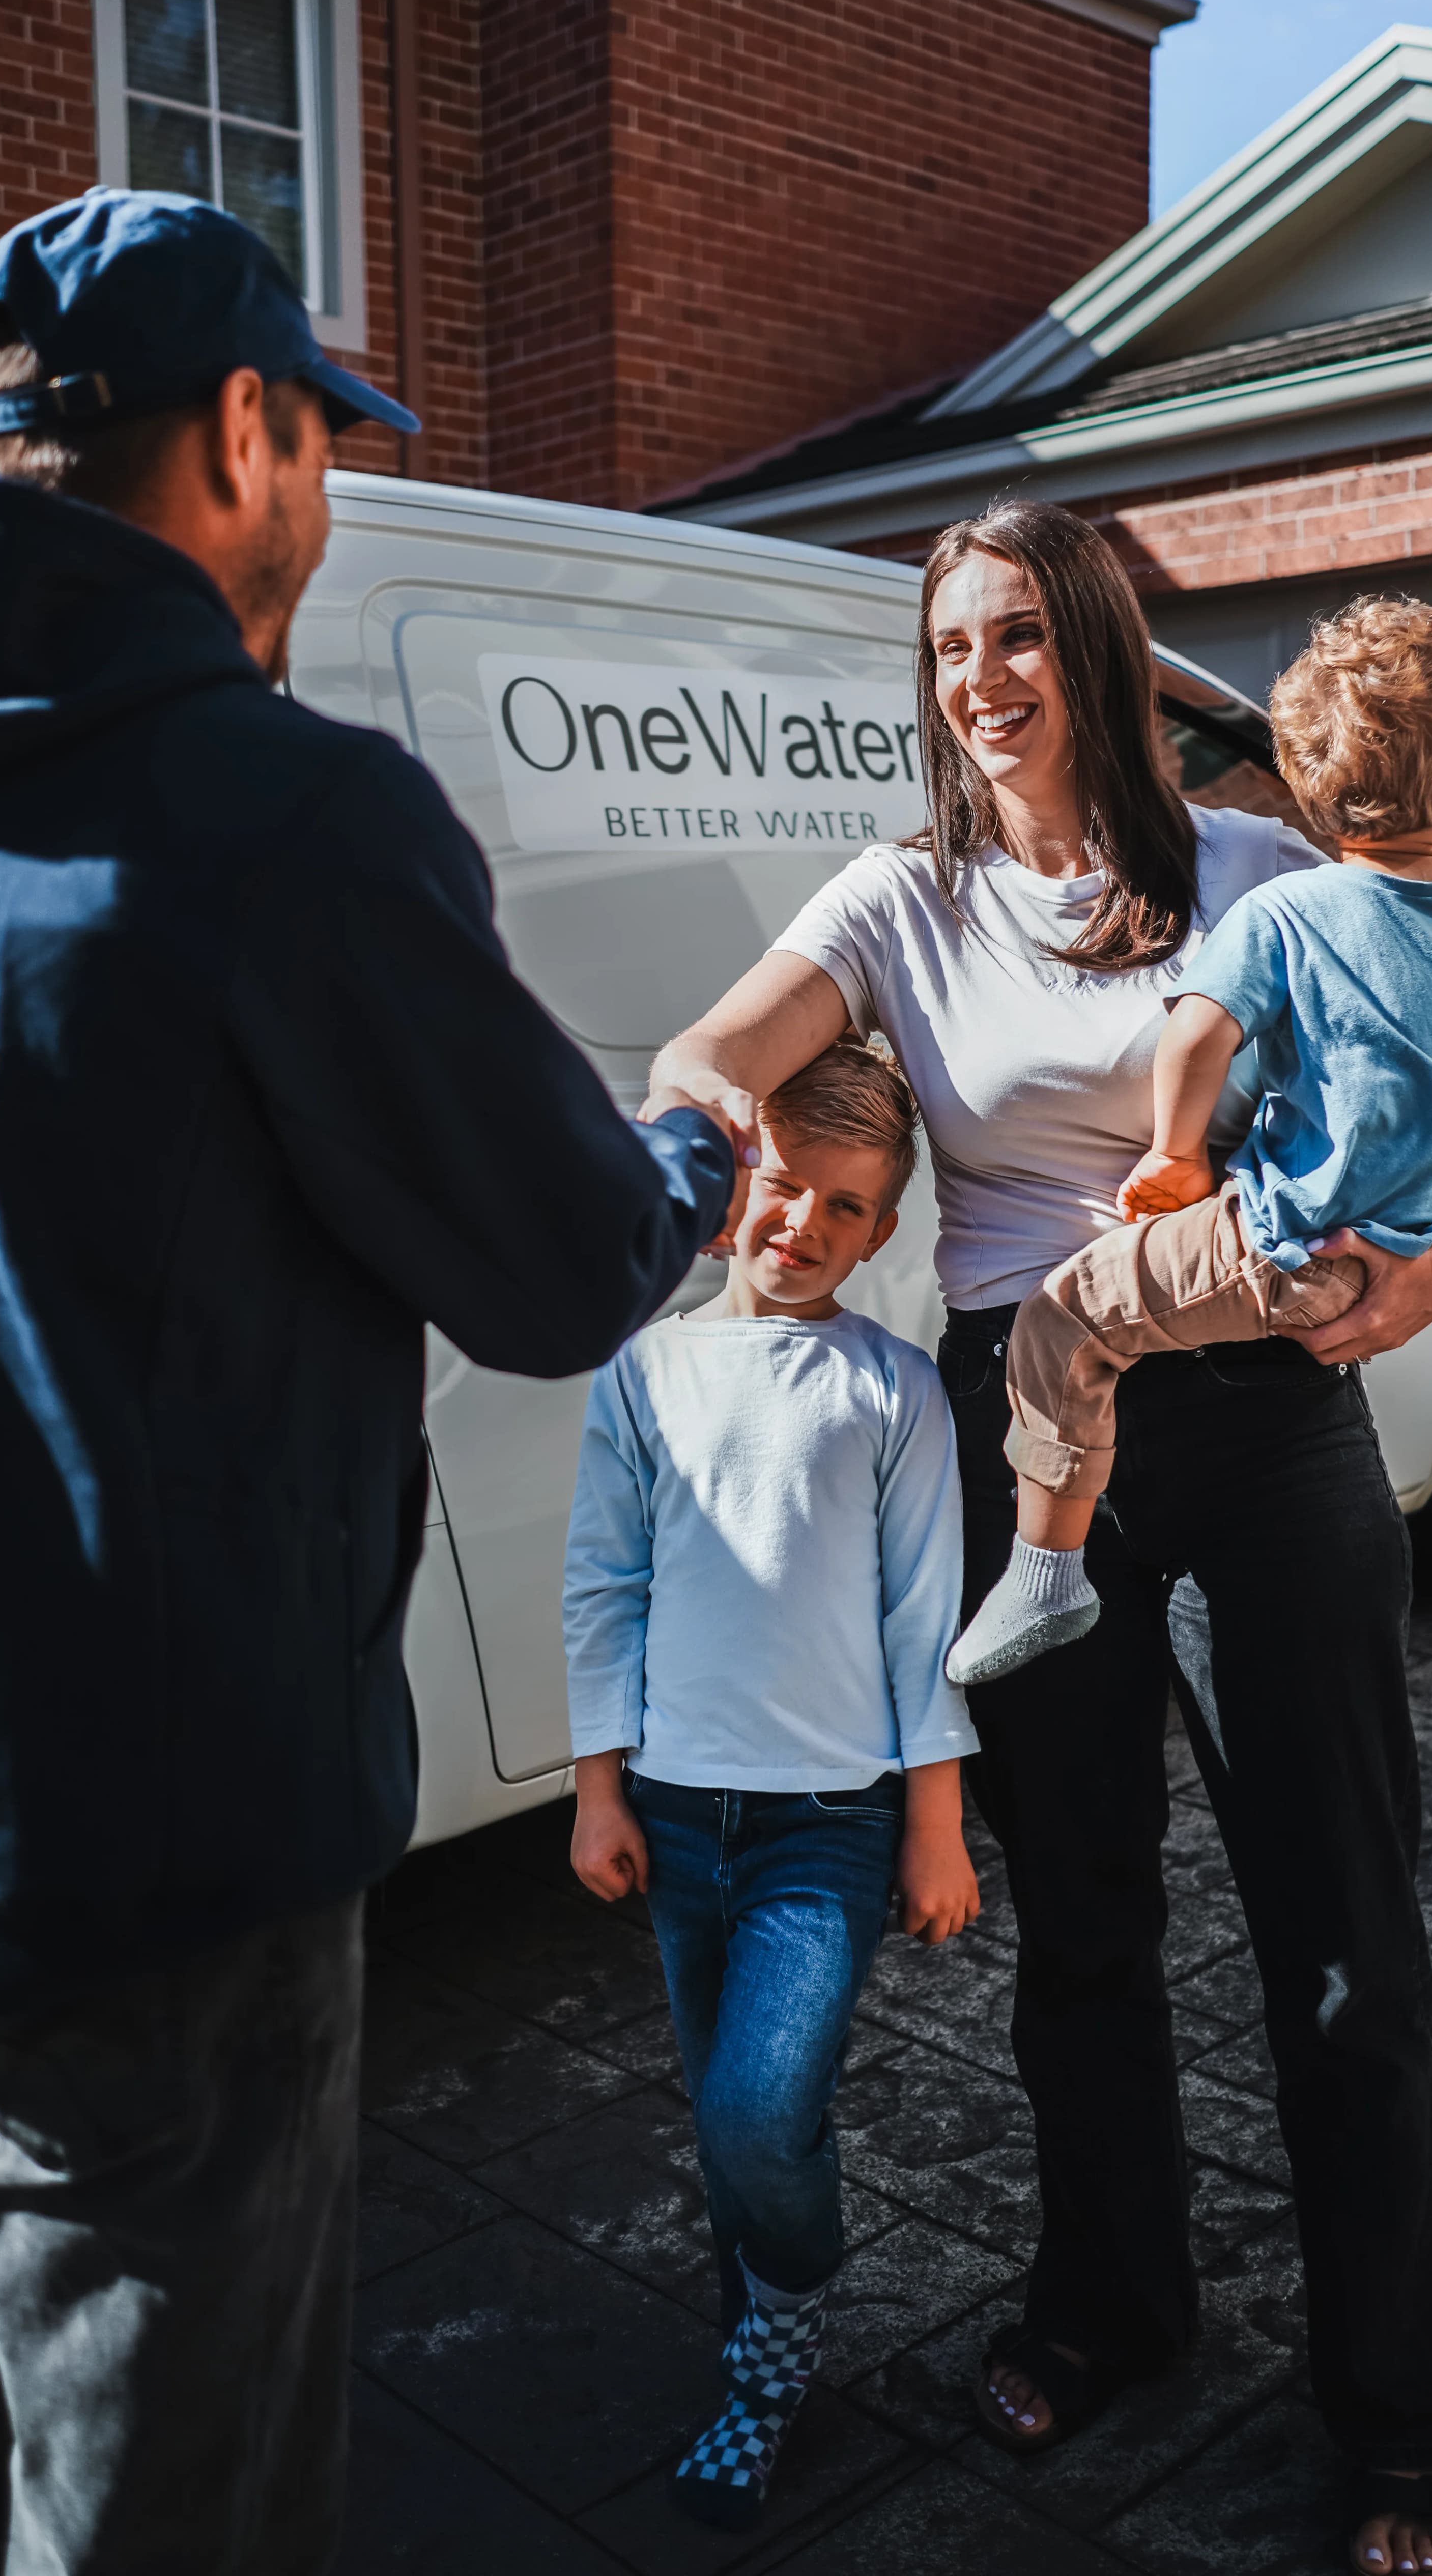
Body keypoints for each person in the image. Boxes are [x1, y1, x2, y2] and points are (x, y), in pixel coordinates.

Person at [0, 189, 739, 2576]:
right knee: (158, 2521)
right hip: (146, 1867)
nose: (327, 503)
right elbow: (558, 1261)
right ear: (243, 430)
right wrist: (699, 1126)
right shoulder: (277, 813)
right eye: (318, 446)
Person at [647, 504, 1432, 2576]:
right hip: (1024, 1442)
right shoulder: (900, 898)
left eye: (1028, 635)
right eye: (956, 645)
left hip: (1259, 1438)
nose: (988, 678)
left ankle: (1406, 2411)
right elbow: (717, 1045)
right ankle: (1112, 2307)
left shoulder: (1249, 862)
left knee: (1346, 1945)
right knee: (1087, 1934)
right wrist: (696, 1126)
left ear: (1107, 653)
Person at [952, 599, 1432, 1696]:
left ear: (1305, 796)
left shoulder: (1292, 907)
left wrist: (1176, 1157)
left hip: (1282, 1246)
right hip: (1397, 1255)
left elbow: (1197, 1031)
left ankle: (1047, 1567)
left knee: (1066, 1321)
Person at [563, 1038, 980, 2530]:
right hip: (678, 1816)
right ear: (740, 1180)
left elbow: (919, 1619)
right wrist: (597, 1788)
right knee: (723, 2110)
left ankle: (786, 2322)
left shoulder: (894, 1388)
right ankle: (758, 2366)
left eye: (846, 1208)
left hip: (830, 1828)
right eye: (786, 1188)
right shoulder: (648, 1369)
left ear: (881, 1232)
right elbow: (603, 1588)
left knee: (754, 2114)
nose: (803, 1228)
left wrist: (935, 1822)